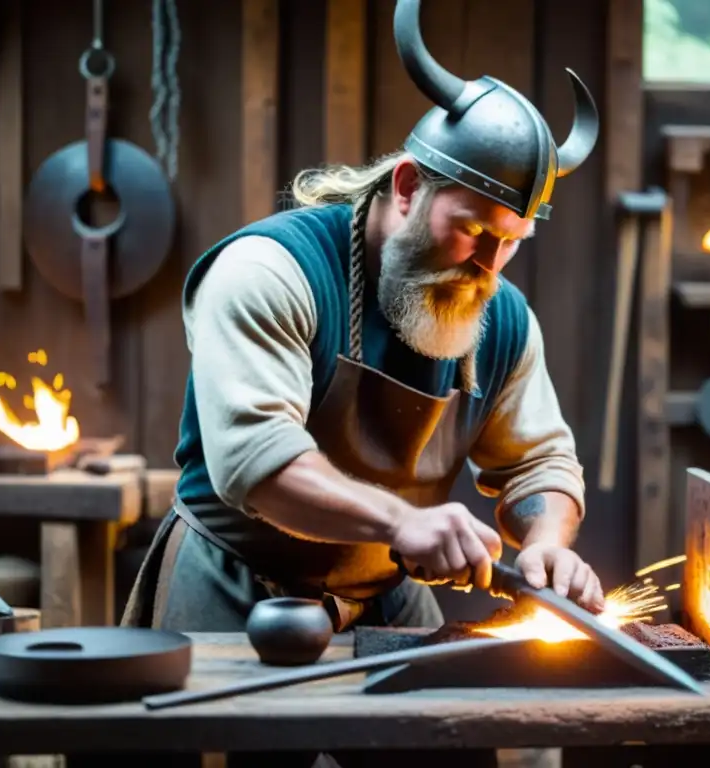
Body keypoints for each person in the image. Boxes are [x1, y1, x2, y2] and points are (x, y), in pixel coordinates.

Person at [121, 0, 603, 764]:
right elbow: (258, 463)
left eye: (510, 243)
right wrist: (402, 523)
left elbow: (540, 462)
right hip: (234, 585)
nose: (488, 265)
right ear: (408, 186)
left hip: (387, 597)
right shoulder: (268, 273)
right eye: (474, 229)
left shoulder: (503, 319)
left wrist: (547, 541)